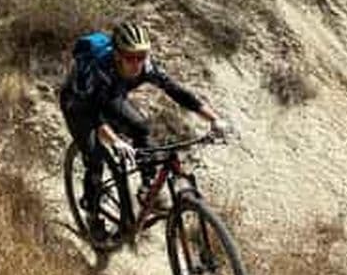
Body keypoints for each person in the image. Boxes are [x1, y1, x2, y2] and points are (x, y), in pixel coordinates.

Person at [59, 21, 228, 244]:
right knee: (95, 156)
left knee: (141, 127)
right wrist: (115, 141)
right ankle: (93, 214)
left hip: (110, 98)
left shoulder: (145, 66)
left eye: (142, 55)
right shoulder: (99, 69)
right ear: (118, 55)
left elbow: (177, 92)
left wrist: (214, 119)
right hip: (78, 105)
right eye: (131, 57)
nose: (137, 63)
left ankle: (148, 188)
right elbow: (91, 112)